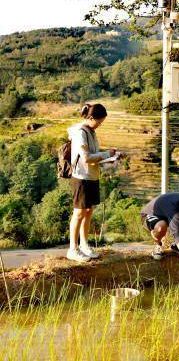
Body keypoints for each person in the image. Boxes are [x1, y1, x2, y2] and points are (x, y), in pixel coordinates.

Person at [67, 103, 117, 262]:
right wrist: (106, 154)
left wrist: (109, 158)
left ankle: (84, 245)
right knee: (79, 212)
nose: (99, 125)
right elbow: (87, 157)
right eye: (99, 122)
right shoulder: (80, 133)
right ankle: (73, 249)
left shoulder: (91, 131)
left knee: (88, 211)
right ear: (90, 118)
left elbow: (95, 155)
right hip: (81, 177)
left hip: (92, 176)